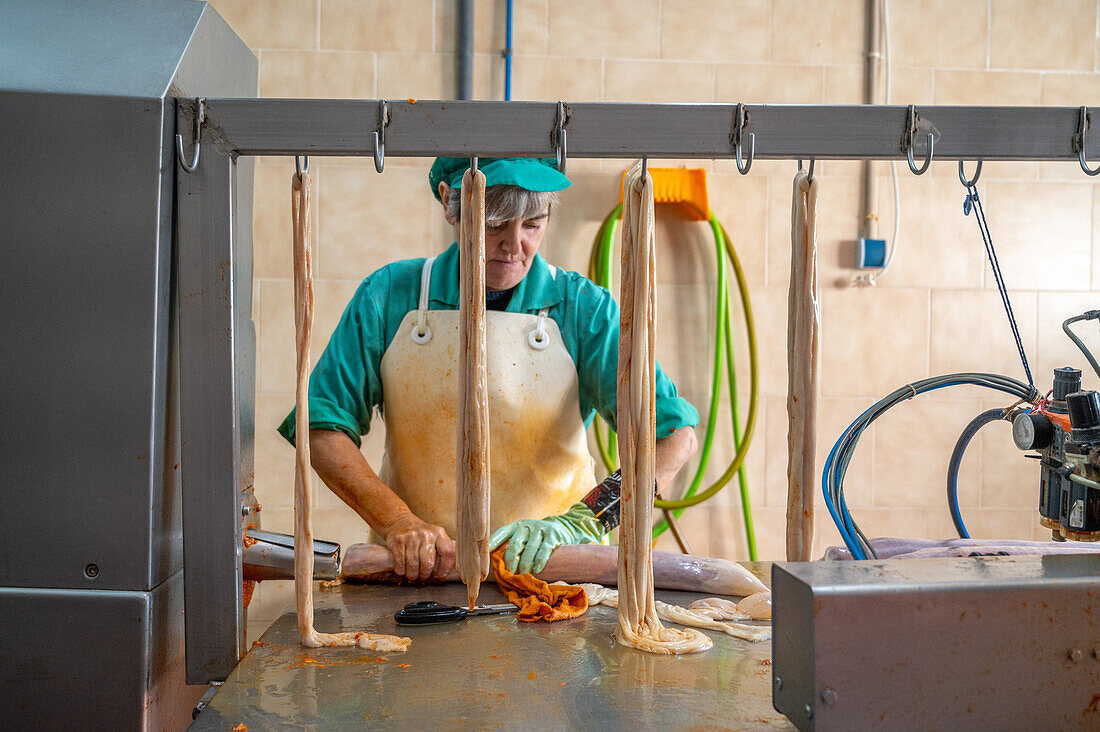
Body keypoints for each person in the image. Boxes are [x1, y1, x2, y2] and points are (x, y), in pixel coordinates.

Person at [278, 157, 699, 582]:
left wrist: (584, 520)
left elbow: (673, 435)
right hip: (419, 577)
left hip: (561, 577)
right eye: (494, 224)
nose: (514, 247)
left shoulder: (584, 309)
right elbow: (322, 427)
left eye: (533, 225)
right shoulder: (390, 295)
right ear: (449, 204)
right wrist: (396, 521)